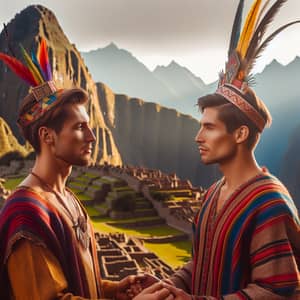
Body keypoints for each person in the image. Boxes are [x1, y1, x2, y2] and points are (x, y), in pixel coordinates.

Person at [132, 0, 300, 299]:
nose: (198, 136)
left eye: (209, 127)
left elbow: (277, 292)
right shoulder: (213, 195)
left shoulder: (269, 205)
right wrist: (168, 285)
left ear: (240, 133)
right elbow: (203, 265)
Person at [0, 39, 173, 300]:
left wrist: (114, 290)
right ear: (48, 136)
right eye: (80, 127)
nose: (92, 137)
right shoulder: (26, 215)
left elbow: (74, 281)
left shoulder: (67, 199)